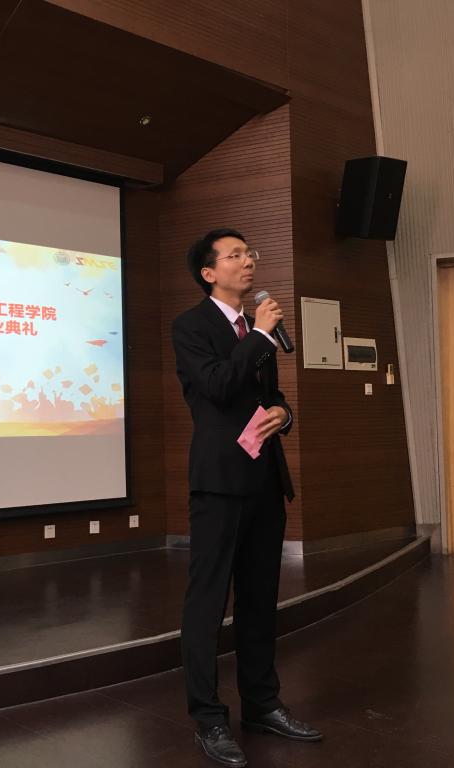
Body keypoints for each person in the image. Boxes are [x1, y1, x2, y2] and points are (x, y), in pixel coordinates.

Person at [172, 228, 322, 766]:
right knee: (208, 602)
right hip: (218, 484)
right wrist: (258, 334)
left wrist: (284, 412)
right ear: (209, 272)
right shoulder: (191, 326)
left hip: (263, 480)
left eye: (248, 253)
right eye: (234, 255)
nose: (247, 262)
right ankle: (209, 718)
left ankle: (261, 703)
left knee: (260, 599)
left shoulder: (256, 328)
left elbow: (268, 395)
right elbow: (217, 386)